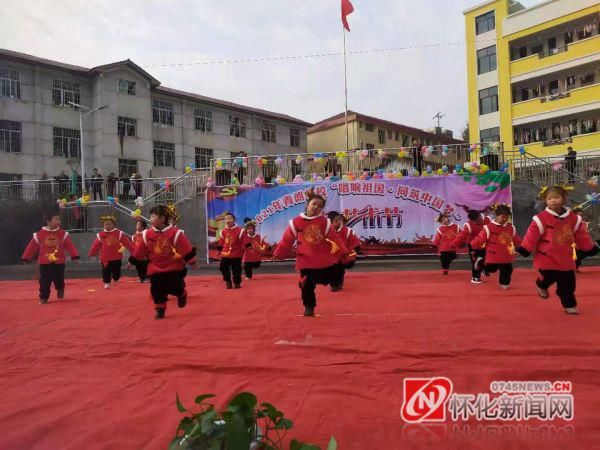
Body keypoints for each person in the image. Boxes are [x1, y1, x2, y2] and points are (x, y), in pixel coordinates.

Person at [517, 186, 599, 314]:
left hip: (565, 258)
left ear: (563, 198)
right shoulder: (541, 218)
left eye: (556, 197)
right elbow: (531, 235)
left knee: (568, 283)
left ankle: (569, 305)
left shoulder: (573, 218)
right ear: (546, 201)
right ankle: (541, 285)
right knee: (547, 278)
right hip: (546, 258)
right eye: (550, 198)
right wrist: (525, 248)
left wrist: (590, 247)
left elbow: (581, 235)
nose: (553, 200)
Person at [272, 189, 350, 317]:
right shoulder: (296, 222)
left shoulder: (325, 222)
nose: (316, 207)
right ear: (307, 203)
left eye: (320, 206)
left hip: (324, 260)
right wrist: (279, 253)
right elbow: (287, 239)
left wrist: (344, 252)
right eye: (314, 204)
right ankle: (309, 307)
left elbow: (335, 239)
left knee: (333, 278)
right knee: (307, 285)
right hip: (305, 261)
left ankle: (334, 283)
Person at [131, 205, 198, 319]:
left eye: (153, 216)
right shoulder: (147, 234)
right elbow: (141, 249)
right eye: (150, 216)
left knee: (174, 287)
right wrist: (134, 260)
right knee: (156, 289)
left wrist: (191, 261)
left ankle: (181, 293)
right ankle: (160, 308)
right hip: (155, 267)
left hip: (173, 266)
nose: (150, 219)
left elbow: (185, 248)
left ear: (162, 218)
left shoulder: (175, 233)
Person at [21, 212, 79, 303]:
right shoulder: (39, 234)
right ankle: (44, 297)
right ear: (48, 221)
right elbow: (31, 247)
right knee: (44, 280)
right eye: (56, 219)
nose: (58, 222)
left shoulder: (63, 234)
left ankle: (60, 288)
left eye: (59, 219)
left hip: (59, 261)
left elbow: (69, 245)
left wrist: (74, 256)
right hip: (44, 261)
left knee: (59, 278)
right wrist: (26, 257)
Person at [471, 204, 522, 290]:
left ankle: (504, 283)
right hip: (493, 256)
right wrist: (473, 245)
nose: (505, 219)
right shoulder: (488, 228)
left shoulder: (511, 228)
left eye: (507, 217)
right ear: (496, 216)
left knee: (507, 269)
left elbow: (517, 240)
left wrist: (522, 249)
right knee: (491, 269)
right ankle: (480, 262)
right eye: (502, 217)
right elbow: (479, 240)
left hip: (506, 255)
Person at [88, 215, 133, 289]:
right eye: (106, 224)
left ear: (113, 224)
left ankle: (115, 278)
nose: (107, 226)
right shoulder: (100, 235)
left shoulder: (119, 234)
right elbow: (95, 245)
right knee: (105, 271)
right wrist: (92, 253)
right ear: (103, 226)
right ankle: (106, 282)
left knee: (117, 271)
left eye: (109, 224)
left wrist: (133, 251)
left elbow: (127, 243)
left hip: (117, 257)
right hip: (105, 258)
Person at [452, 210, 491, 284]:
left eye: (479, 220)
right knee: (475, 261)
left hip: (485, 244)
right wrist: (453, 244)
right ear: (472, 220)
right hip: (473, 245)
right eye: (475, 221)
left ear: (480, 215)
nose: (478, 222)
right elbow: (461, 236)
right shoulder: (468, 225)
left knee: (486, 258)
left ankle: (483, 268)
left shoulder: (488, 220)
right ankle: (475, 278)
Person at [327, 211, 361, 291]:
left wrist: (353, 254)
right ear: (330, 223)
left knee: (340, 269)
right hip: (332, 258)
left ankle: (338, 282)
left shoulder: (348, 231)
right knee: (333, 268)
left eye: (339, 220)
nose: (339, 222)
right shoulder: (326, 232)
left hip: (346, 257)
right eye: (336, 221)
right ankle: (335, 285)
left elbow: (357, 244)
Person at [217, 212, 246, 289]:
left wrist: (246, 247)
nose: (227, 220)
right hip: (226, 254)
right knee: (222, 267)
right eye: (226, 219)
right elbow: (221, 242)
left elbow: (245, 240)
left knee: (237, 269)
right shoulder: (223, 231)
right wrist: (219, 249)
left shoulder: (240, 231)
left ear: (234, 220)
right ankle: (228, 281)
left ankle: (237, 282)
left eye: (230, 218)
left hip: (237, 253)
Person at [572, 206, 589, 272]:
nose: (580, 214)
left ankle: (576, 267)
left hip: (581, 241)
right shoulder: (573, 221)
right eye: (579, 212)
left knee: (580, 254)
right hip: (573, 240)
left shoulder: (583, 222)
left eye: (581, 213)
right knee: (576, 254)